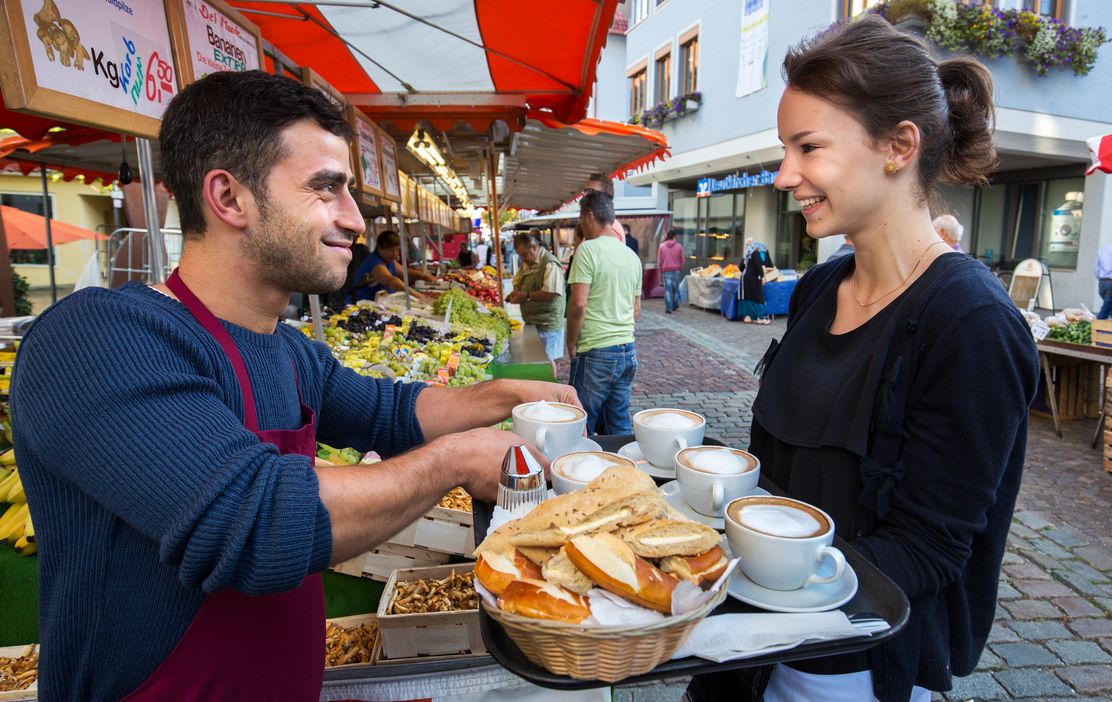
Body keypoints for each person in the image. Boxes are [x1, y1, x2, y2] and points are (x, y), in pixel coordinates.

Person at [9, 70, 577, 701]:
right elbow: (253, 518)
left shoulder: (285, 350)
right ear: (228, 198)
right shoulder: (97, 339)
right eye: (326, 189)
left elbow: (387, 410)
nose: (355, 220)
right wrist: (454, 459)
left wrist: (499, 399)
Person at [689, 16, 1037, 702]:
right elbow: (781, 476)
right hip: (744, 651)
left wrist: (737, 572)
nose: (786, 174)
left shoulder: (971, 324)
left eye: (808, 147)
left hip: (850, 667)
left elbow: (929, 550)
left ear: (898, 146)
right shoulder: (821, 287)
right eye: (785, 148)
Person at [567, 190, 643, 435]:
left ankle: (580, 471)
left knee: (580, 423)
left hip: (596, 351)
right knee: (618, 423)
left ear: (589, 216)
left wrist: (571, 342)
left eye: (580, 217)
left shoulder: (587, 251)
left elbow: (578, 305)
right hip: (627, 349)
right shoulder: (631, 256)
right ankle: (621, 471)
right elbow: (636, 309)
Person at [506, 230, 566, 374]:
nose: (523, 258)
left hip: (547, 322)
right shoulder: (528, 262)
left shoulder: (550, 264)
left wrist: (525, 295)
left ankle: (551, 390)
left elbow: (551, 293)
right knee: (538, 359)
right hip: (534, 320)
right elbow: (521, 281)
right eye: (520, 255)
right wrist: (516, 293)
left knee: (547, 359)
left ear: (534, 247)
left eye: (525, 254)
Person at [353, 229, 435, 301]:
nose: (395, 254)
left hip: (383, 301)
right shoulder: (375, 263)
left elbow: (403, 272)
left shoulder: (389, 260)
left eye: (397, 250)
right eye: (391, 250)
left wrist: (424, 276)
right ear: (380, 248)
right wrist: (419, 296)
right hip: (367, 304)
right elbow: (392, 281)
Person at [739, 238, 770, 324]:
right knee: (758, 297)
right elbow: (758, 266)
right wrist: (763, 277)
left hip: (745, 278)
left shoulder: (746, 254)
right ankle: (759, 318)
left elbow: (740, 267)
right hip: (754, 278)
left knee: (747, 296)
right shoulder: (755, 253)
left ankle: (747, 317)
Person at [658, 229, 685, 313]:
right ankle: (674, 305)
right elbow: (683, 260)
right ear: (674, 237)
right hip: (676, 270)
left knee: (667, 290)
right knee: (676, 289)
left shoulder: (662, 246)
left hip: (666, 271)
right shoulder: (679, 247)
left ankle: (669, 308)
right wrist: (679, 267)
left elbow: (659, 261)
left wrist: (661, 269)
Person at [1094, 242, 1112, 319]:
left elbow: (1096, 268)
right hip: (1110, 283)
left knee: (1109, 306)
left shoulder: (1105, 248)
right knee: (1106, 309)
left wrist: (1101, 279)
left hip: (1103, 282)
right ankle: (1097, 325)